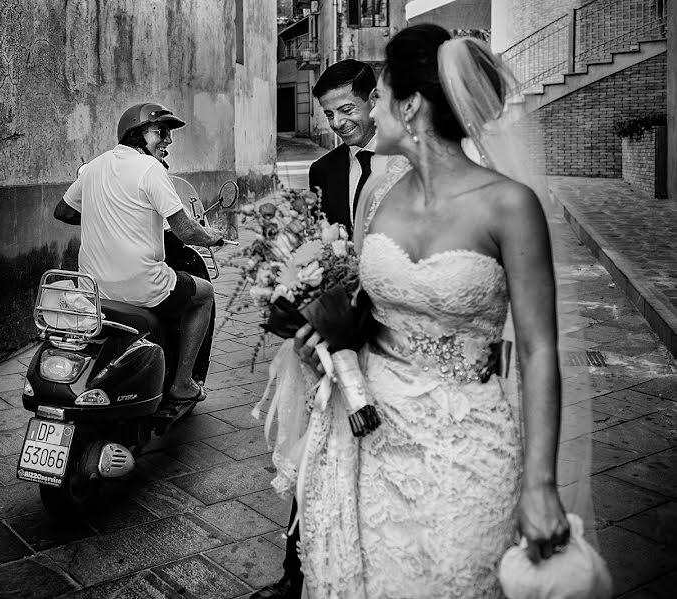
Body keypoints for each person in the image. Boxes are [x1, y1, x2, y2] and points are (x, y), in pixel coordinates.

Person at [278, 24, 572, 597]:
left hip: (466, 437)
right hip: (373, 434)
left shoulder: (509, 205)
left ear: (409, 105)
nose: (368, 110)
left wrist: (541, 484)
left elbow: (538, 350)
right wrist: (326, 339)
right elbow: (365, 305)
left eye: (380, 95)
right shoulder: (379, 197)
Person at [252, 59, 386, 599]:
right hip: (333, 324)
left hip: (387, 327)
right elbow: (318, 241)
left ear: (374, 99)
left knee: (371, 448)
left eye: (347, 109)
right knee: (316, 447)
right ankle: (297, 571)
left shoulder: (407, 163)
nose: (338, 123)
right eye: (330, 113)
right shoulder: (324, 169)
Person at [54, 102, 224, 402]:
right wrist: (210, 237)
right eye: (161, 132)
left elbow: (64, 211)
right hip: (142, 288)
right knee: (205, 294)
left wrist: (108, 214)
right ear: (137, 134)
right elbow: (185, 230)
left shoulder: (94, 165)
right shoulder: (151, 169)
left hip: (94, 290)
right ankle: (183, 383)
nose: (168, 141)